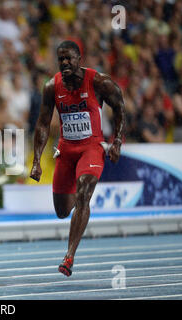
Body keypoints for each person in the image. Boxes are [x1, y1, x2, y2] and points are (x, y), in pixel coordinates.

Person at [30, 41, 125, 277]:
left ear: (79, 59)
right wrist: (36, 160)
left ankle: (69, 256)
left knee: (84, 191)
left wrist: (117, 141)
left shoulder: (99, 82)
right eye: (60, 59)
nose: (64, 63)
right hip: (66, 149)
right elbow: (42, 123)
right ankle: (80, 211)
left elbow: (120, 107)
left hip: (91, 147)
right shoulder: (52, 86)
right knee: (62, 211)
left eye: (68, 58)